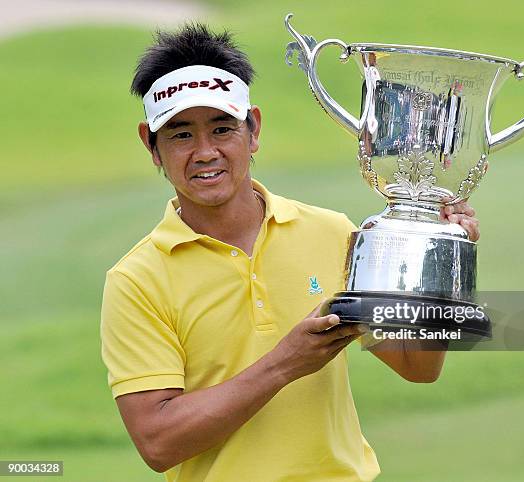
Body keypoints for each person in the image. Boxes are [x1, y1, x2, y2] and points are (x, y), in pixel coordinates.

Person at [100, 23, 480, 482]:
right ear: (151, 144)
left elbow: (417, 366)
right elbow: (158, 442)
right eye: (181, 135)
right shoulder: (137, 280)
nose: (205, 152)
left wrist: (434, 264)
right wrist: (283, 364)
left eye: (222, 129)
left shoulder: (331, 232)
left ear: (253, 129)